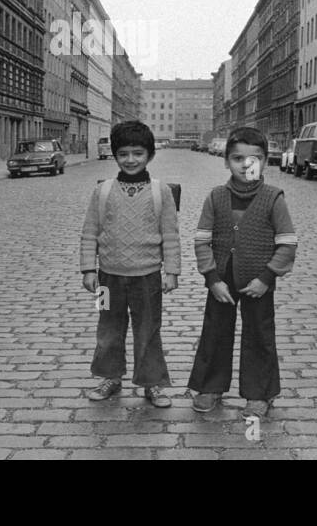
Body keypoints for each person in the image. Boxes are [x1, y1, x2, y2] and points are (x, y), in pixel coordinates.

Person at [188, 126, 297, 418]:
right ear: (226, 161)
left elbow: (287, 243)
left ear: (265, 161)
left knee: (260, 335)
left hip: (258, 281)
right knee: (215, 332)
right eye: (238, 158)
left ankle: (259, 392)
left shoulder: (274, 198)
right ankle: (210, 386)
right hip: (221, 281)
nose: (246, 165)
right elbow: (202, 240)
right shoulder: (216, 197)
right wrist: (211, 278)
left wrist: (267, 278)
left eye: (255, 158)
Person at [79, 120, 180, 407]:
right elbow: (90, 232)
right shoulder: (103, 191)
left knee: (148, 330)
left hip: (147, 277)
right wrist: (88, 269)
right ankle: (110, 376)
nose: (130, 160)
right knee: (108, 329)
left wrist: (171, 271)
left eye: (138, 153)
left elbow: (171, 235)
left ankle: (152, 383)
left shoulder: (161, 192)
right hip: (107, 278)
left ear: (150, 155)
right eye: (123, 154)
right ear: (115, 156)